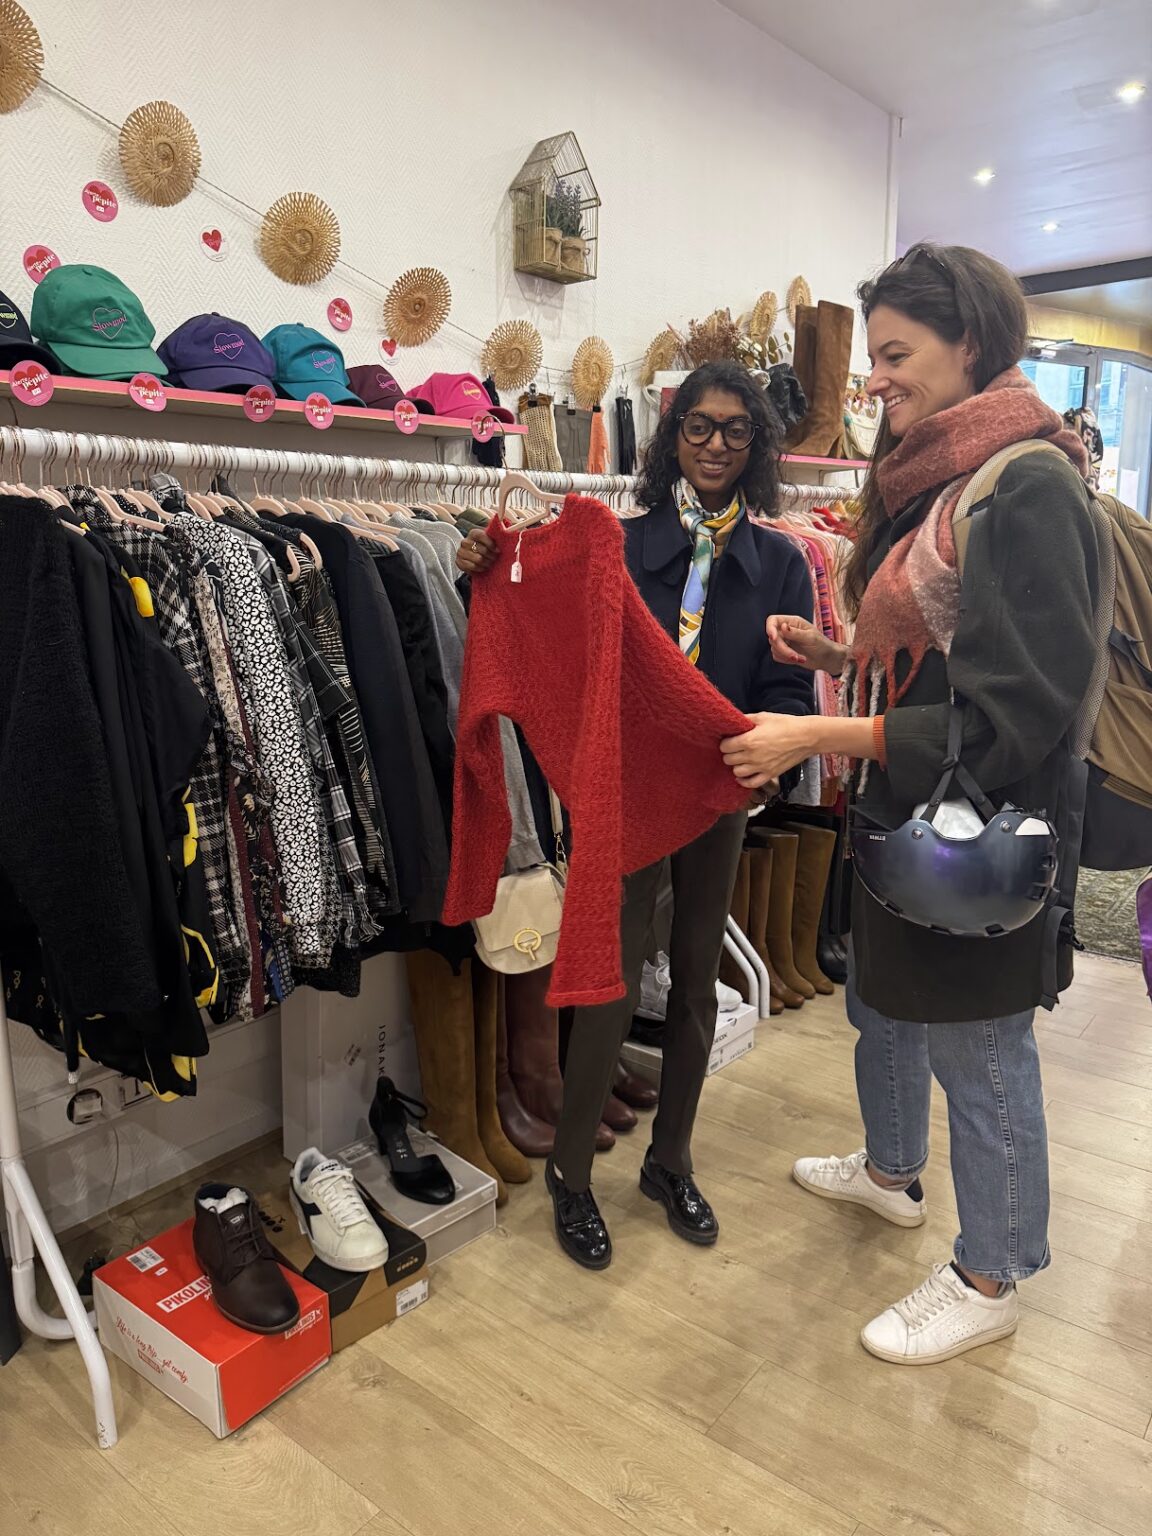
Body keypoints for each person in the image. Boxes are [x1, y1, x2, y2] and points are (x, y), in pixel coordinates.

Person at [721, 244, 1098, 1364]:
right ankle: (892, 1172)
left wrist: (820, 730)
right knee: (883, 1004)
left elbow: (1011, 716)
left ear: (970, 341)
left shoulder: (1027, 483)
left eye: (895, 355)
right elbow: (945, 651)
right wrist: (839, 652)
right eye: (872, 356)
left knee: (979, 1048)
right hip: (908, 802)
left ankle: (994, 1272)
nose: (873, 381)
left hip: (982, 828)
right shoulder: (937, 475)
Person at [458, 361, 814, 1268]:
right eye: (699, 426)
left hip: (717, 791)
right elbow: (543, 614)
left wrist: (759, 768)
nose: (716, 446)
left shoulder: (778, 562)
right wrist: (484, 562)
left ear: (758, 444)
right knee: (606, 977)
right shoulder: (613, 543)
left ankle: (671, 1159)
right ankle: (573, 1178)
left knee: (695, 983)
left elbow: (783, 692)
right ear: (673, 436)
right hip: (619, 795)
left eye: (737, 431)